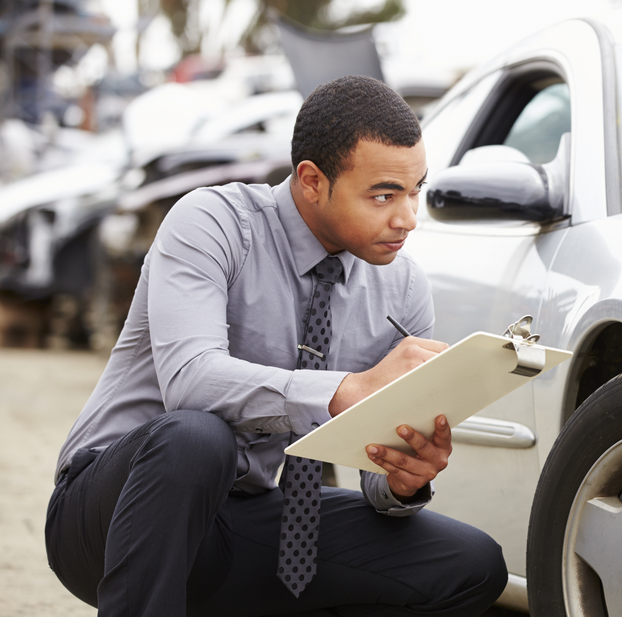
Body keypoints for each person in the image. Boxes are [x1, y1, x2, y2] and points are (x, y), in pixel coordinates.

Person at [45, 75, 508, 617]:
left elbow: (372, 472)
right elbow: (190, 381)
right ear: (312, 181)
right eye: (383, 195)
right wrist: (345, 391)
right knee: (197, 439)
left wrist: (402, 479)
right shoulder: (212, 223)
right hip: (107, 516)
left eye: (414, 191)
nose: (406, 218)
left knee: (471, 563)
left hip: (242, 520)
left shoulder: (402, 288)